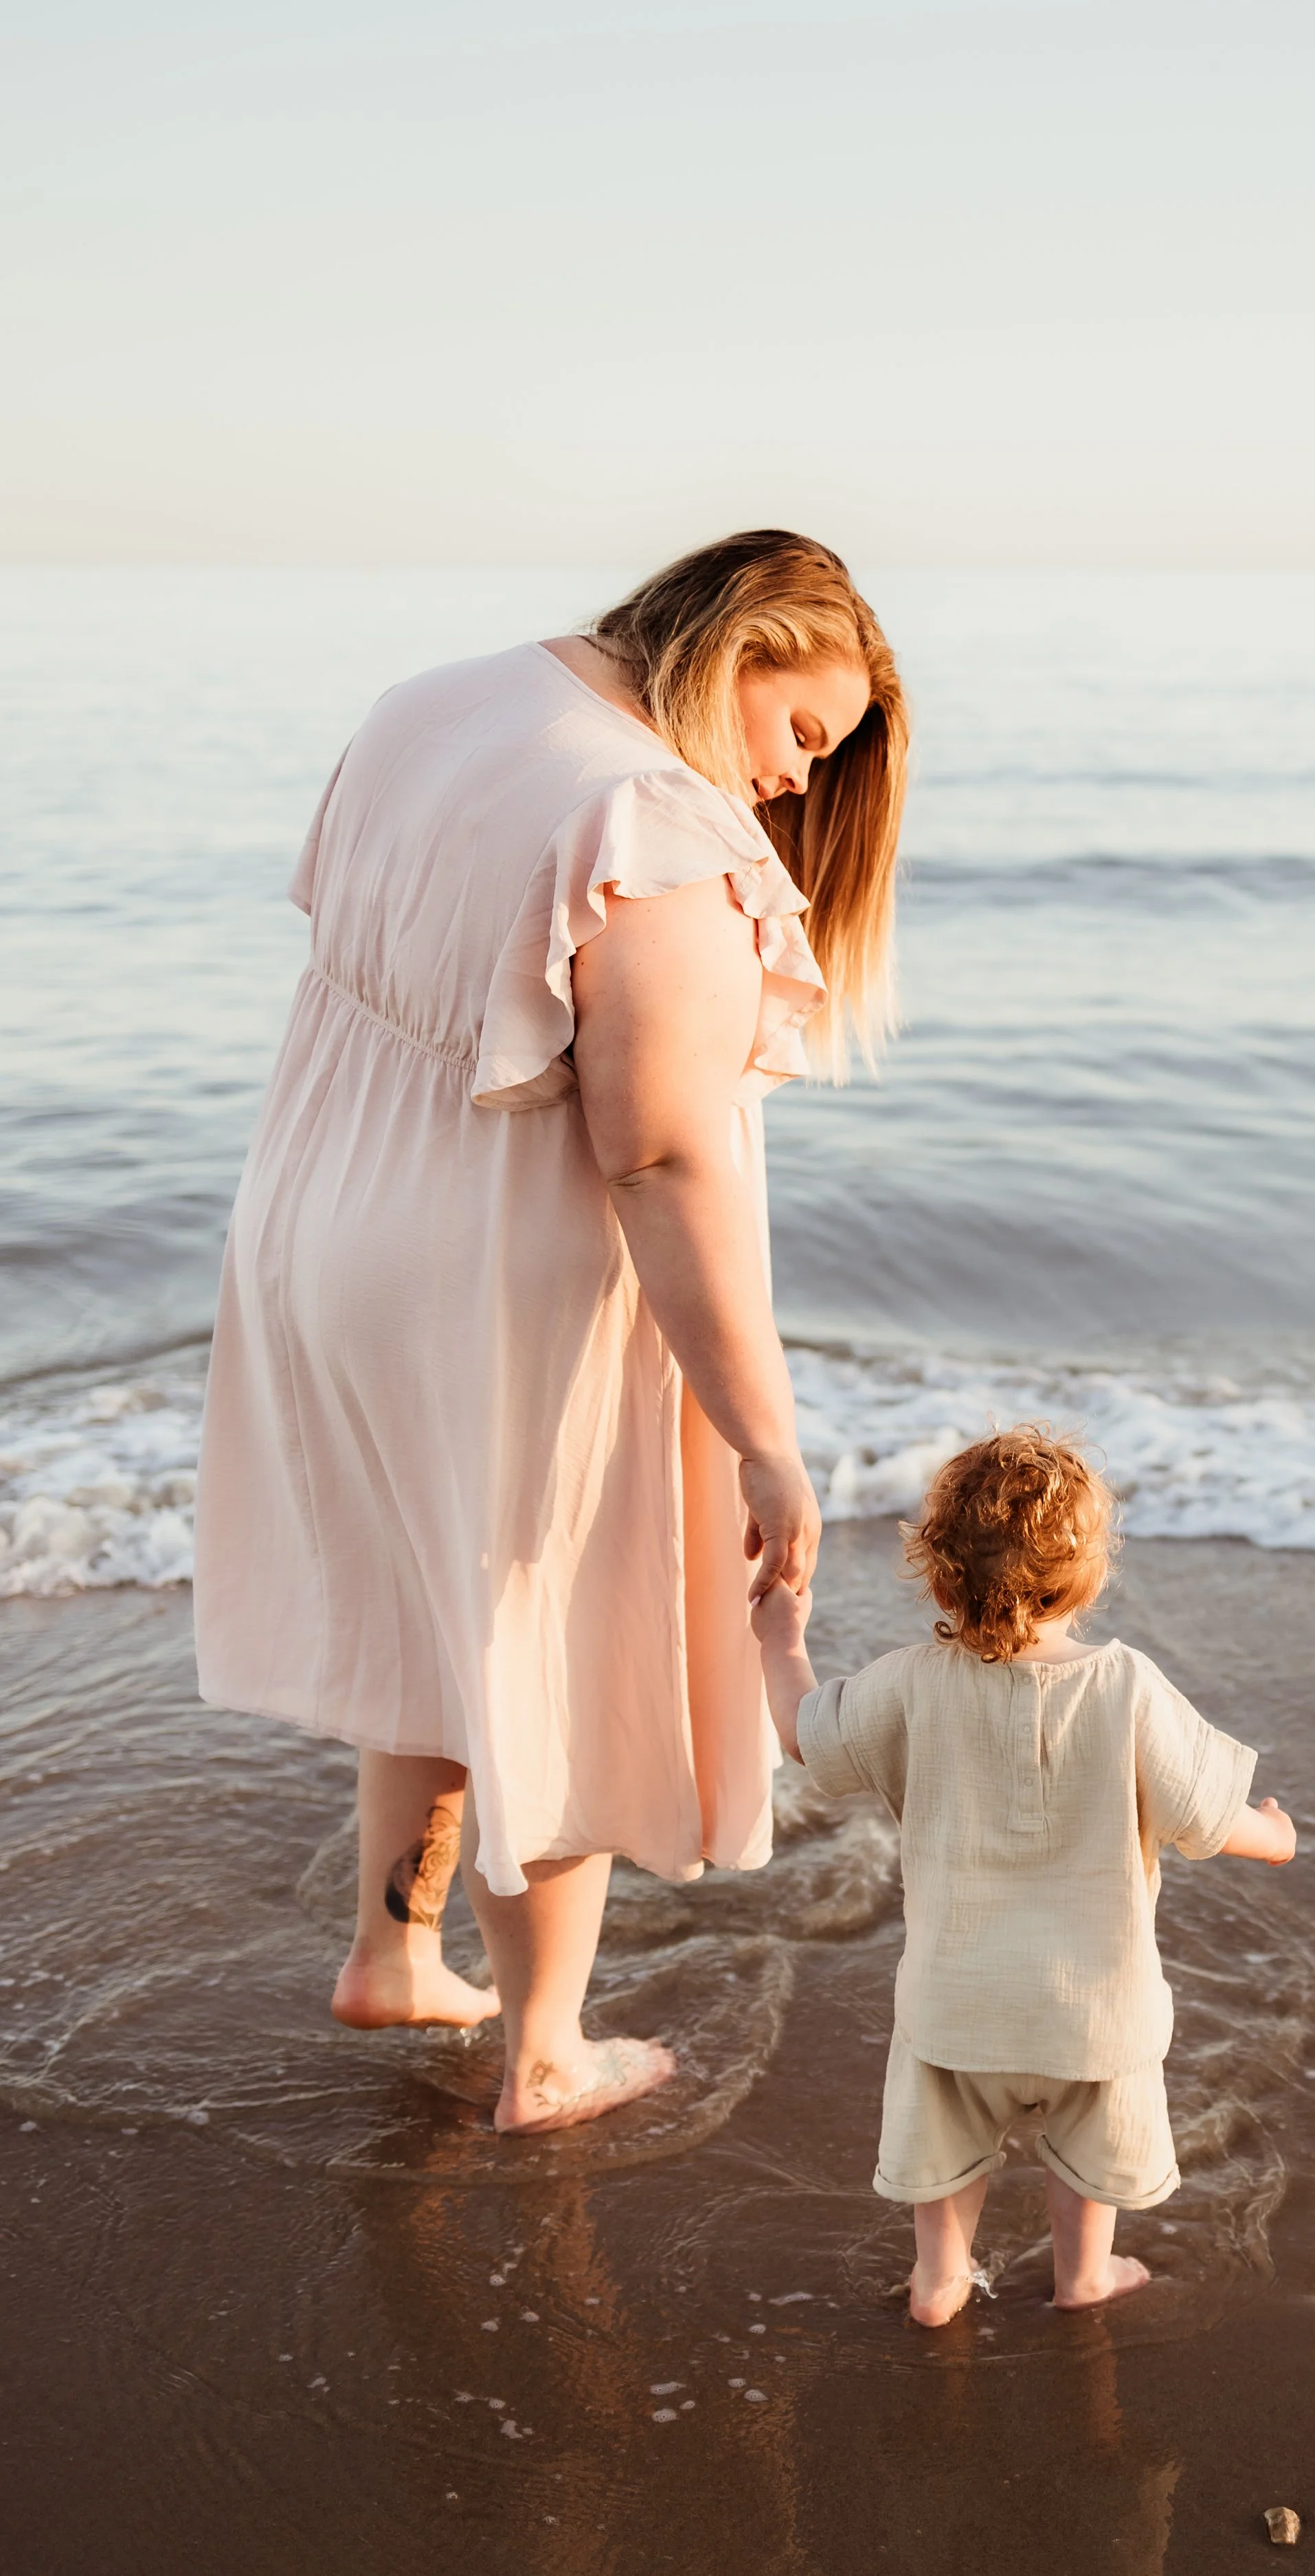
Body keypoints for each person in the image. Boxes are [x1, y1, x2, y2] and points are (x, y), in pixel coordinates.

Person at [194, 530, 908, 2134]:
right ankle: (543, 2056)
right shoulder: (649, 815)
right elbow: (654, 1151)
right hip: (498, 1268)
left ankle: (392, 1952)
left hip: (319, 1219)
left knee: (435, 1603)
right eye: (803, 736)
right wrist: (764, 1441)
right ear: (737, 654)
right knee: (562, 1640)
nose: (796, 789)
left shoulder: (435, 701)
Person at [750, 1427, 1296, 2324]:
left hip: (954, 2004)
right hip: (1096, 2011)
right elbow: (1205, 1820)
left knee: (947, 2157)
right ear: (1089, 1574)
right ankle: (1085, 2276)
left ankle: (939, 2280)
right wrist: (1273, 1835)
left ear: (937, 1575)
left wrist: (782, 1638)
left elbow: (805, 1735)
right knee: (1086, 2162)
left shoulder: (913, 1683)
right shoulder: (1128, 1686)